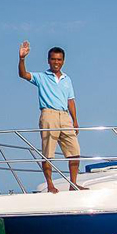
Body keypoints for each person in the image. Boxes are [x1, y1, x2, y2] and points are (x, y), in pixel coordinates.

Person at [17, 41, 83, 193]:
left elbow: (70, 100)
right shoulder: (41, 77)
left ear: (63, 61)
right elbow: (23, 74)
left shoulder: (67, 79)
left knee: (75, 151)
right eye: (53, 59)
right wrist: (22, 59)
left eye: (59, 60)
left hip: (65, 116)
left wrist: (75, 120)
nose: (56, 62)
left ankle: (73, 184)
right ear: (48, 60)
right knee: (48, 153)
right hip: (49, 114)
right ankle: (50, 185)